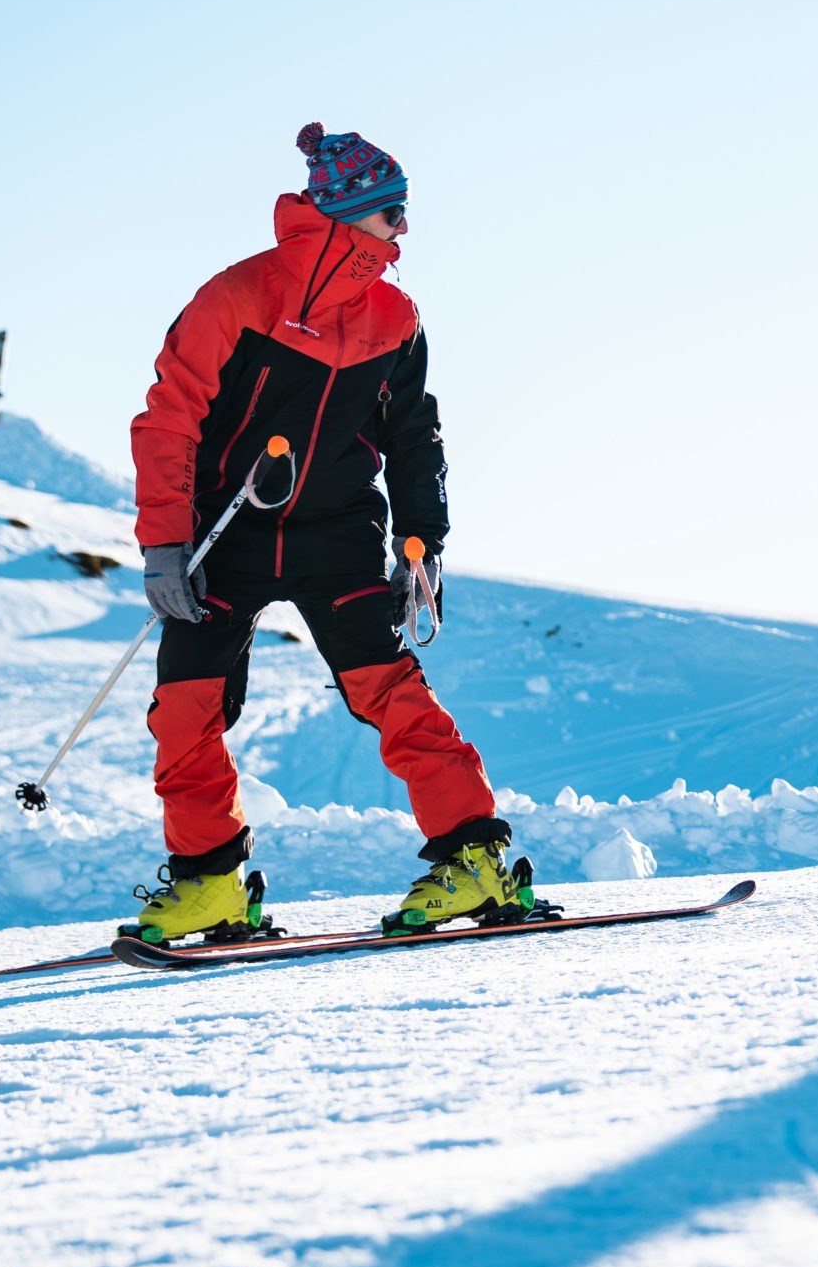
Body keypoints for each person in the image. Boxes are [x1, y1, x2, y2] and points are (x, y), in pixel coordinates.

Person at [125, 122, 529, 941]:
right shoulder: (237, 296)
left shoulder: (396, 314)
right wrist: (165, 541)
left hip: (337, 532)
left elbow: (415, 435)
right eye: (394, 212)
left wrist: (422, 541)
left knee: (390, 689)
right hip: (225, 538)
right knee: (184, 706)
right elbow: (169, 417)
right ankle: (210, 883)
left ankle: (475, 860)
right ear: (349, 214)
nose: (406, 230)